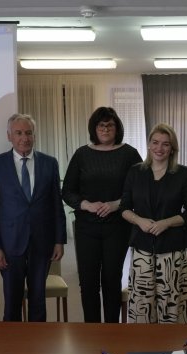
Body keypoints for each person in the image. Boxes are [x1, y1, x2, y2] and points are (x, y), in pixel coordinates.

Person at [62, 107, 142, 323]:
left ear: (117, 128)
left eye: (110, 125)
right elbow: (67, 191)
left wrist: (116, 204)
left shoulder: (129, 154)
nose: (105, 129)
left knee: (112, 280)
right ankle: (92, 330)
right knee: (88, 282)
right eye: (101, 125)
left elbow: (140, 190)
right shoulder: (82, 154)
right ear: (94, 128)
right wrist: (86, 205)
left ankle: (111, 330)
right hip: (86, 228)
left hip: (117, 227)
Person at [0, 113, 66, 322]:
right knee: (12, 301)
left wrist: (59, 240)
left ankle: (37, 341)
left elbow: (56, 204)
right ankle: (13, 341)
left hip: (42, 242)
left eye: (28, 133)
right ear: (9, 136)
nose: (24, 138)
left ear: (34, 136)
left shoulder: (49, 163)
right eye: (18, 133)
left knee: (38, 300)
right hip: (9, 244)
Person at [120, 124, 187, 323]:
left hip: (171, 251)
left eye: (165, 144)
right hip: (142, 250)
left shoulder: (183, 174)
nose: (159, 148)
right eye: (155, 142)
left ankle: (172, 343)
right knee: (142, 306)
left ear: (172, 149)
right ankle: (143, 343)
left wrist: (167, 223)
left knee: (170, 306)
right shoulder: (135, 172)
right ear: (149, 144)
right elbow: (124, 208)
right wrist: (139, 220)